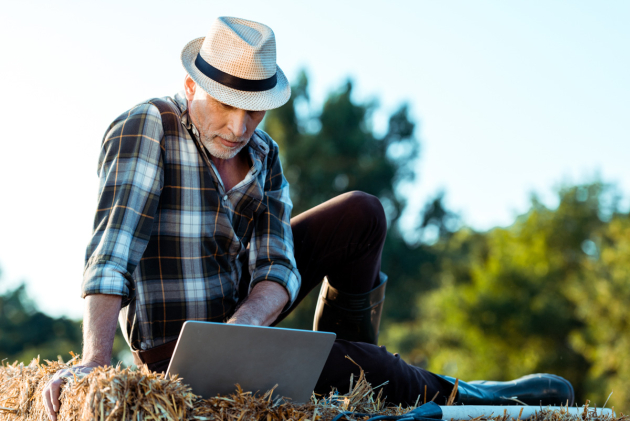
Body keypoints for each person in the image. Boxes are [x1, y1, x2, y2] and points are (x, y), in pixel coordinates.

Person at [43, 16, 574, 421]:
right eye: (224, 105)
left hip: (240, 318)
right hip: (178, 346)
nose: (238, 125)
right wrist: (94, 360)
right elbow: (112, 247)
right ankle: (460, 393)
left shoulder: (265, 152)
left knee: (362, 212)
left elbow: (277, 265)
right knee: (380, 371)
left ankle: (348, 371)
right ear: (189, 89)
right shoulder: (146, 127)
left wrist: (246, 328)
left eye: (253, 109)